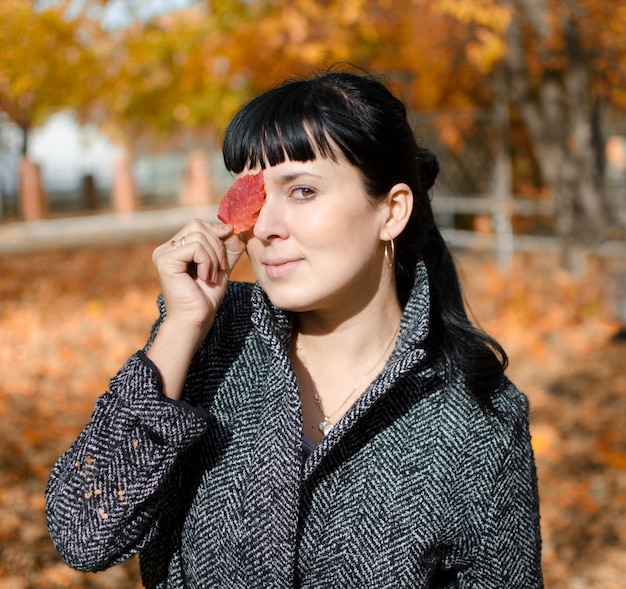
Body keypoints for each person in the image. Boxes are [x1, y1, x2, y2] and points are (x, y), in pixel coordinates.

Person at [46, 68, 543, 588]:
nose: (263, 227)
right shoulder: (212, 345)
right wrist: (182, 329)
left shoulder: (480, 419)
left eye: (302, 191)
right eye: (256, 194)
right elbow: (84, 534)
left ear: (392, 211)